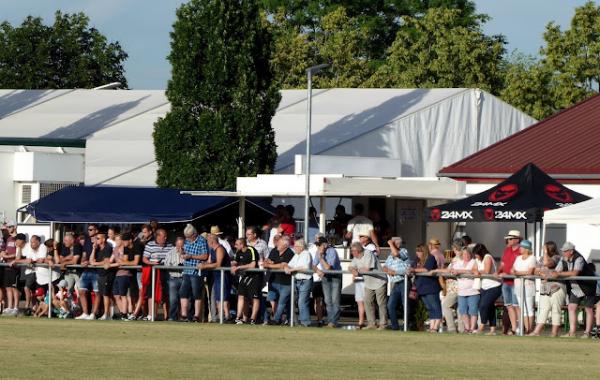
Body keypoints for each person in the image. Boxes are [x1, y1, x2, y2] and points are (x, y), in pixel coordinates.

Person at [552, 242, 597, 338]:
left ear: (571, 251)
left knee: (588, 309)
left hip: (588, 286)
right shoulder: (563, 258)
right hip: (575, 287)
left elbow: (575, 272)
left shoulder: (579, 258)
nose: (563, 253)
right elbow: (556, 271)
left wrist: (559, 274)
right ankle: (572, 332)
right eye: (563, 251)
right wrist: (551, 273)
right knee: (571, 307)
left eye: (565, 251)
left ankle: (587, 333)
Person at [529, 241, 565, 337]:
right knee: (543, 310)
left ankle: (554, 333)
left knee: (555, 310)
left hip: (556, 287)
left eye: (544, 248)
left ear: (549, 249)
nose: (542, 249)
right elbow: (536, 271)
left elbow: (547, 263)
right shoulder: (541, 259)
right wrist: (542, 274)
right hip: (545, 288)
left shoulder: (556, 258)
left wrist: (545, 253)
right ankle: (536, 332)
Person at [348, 242, 387, 330]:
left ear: (358, 250)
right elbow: (350, 267)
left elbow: (367, 268)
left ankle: (383, 324)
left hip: (379, 281)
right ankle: (371, 324)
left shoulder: (368, 253)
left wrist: (356, 270)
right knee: (367, 302)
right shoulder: (356, 257)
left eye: (353, 251)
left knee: (381, 303)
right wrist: (352, 269)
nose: (352, 253)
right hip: (368, 283)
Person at [142, 228, 172, 320]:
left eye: (166, 236)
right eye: (164, 236)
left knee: (166, 294)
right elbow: (145, 259)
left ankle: (167, 316)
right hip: (154, 272)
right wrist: (153, 263)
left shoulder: (170, 246)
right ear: (158, 236)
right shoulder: (150, 245)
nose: (166, 238)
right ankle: (151, 315)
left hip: (167, 273)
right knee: (152, 293)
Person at [200, 234, 232, 321]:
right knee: (217, 298)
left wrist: (205, 266)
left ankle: (227, 316)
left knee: (224, 297)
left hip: (224, 276)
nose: (207, 243)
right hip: (216, 276)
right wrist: (203, 264)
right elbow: (209, 261)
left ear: (212, 241)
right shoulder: (212, 250)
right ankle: (221, 316)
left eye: (207, 241)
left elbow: (218, 264)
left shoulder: (220, 249)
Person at [181, 224, 209, 322]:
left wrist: (191, 256)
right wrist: (182, 253)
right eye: (186, 237)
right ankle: (184, 315)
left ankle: (196, 316)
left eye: (189, 237)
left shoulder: (202, 241)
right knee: (183, 293)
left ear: (194, 234)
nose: (187, 239)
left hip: (197, 272)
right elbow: (184, 252)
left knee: (196, 294)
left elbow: (205, 256)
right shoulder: (187, 241)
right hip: (186, 270)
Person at [264, 235, 294, 325]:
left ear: (285, 245)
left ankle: (276, 320)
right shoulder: (274, 250)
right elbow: (268, 261)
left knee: (282, 302)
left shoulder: (290, 253)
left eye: (279, 243)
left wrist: (271, 265)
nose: (277, 244)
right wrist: (272, 264)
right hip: (273, 280)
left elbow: (283, 265)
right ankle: (278, 318)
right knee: (272, 300)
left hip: (285, 282)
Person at [411, 244, 442, 332]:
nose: (417, 253)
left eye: (419, 251)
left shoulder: (430, 258)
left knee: (435, 306)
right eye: (417, 251)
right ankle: (432, 326)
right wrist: (412, 269)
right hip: (421, 287)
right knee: (429, 307)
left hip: (431, 287)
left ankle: (436, 326)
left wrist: (414, 270)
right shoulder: (417, 259)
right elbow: (412, 267)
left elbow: (426, 269)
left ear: (424, 251)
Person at [384, 237, 413, 331]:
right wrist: (387, 270)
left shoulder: (404, 251)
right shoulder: (390, 255)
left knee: (405, 304)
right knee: (390, 305)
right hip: (395, 283)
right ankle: (394, 326)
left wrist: (390, 243)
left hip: (404, 281)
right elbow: (384, 266)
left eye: (392, 243)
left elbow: (397, 253)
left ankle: (406, 325)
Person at [472, 243, 501, 335]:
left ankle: (482, 325)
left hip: (494, 286)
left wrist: (478, 272)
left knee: (483, 305)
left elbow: (487, 270)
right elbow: (473, 269)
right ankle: (492, 330)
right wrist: (475, 271)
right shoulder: (477, 259)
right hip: (484, 287)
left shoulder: (487, 257)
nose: (475, 256)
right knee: (490, 307)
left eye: (476, 254)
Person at [313, 236, 342, 328]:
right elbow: (313, 265)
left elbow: (328, 267)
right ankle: (330, 321)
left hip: (335, 277)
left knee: (335, 300)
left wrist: (321, 258)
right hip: (325, 277)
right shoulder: (318, 252)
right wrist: (317, 271)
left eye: (319, 245)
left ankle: (334, 322)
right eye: (317, 245)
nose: (317, 247)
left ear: (325, 245)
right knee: (327, 300)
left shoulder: (332, 251)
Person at [496, 229, 522, 335]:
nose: (509, 241)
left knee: (516, 306)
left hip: (516, 282)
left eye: (510, 239)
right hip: (506, 282)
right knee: (509, 306)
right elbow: (502, 264)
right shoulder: (507, 250)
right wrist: (497, 272)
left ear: (517, 239)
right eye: (508, 239)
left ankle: (521, 327)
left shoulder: (521, 250)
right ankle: (514, 328)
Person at [15, 235, 48, 313]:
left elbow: (38, 260)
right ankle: (32, 308)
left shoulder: (43, 247)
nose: (31, 244)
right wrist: (19, 248)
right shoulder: (30, 248)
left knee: (31, 290)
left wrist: (27, 261)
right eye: (31, 242)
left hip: (42, 274)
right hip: (32, 272)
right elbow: (22, 259)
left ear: (38, 242)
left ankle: (29, 307)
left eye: (33, 242)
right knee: (31, 290)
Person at [451, 244, 480, 333]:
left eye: (467, 254)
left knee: (473, 310)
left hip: (473, 291)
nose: (466, 256)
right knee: (463, 310)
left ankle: (472, 328)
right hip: (461, 291)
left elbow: (473, 271)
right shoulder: (458, 262)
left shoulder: (474, 261)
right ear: (461, 255)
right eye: (464, 254)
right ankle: (467, 328)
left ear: (470, 254)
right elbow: (452, 270)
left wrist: (459, 271)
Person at [284, 238, 313, 327]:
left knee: (302, 302)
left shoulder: (307, 254)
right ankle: (294, 321)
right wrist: (286, 267)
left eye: (296, 246)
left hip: (305, 281)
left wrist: (293, 269)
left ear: (301, 247)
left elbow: (305, 267)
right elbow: (289, 264)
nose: (294, 247)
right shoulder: (296, 255)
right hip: (296, 281)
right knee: (291, 301)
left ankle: (305, 322)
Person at [232, 238, 261, 324]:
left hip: (254, 277)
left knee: (254, 298)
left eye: (237, 244)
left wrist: (239, 267)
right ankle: (239, 317)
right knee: (241, 296)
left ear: (242, 244)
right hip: (244, 277)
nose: (235, 246)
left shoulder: (251, 250)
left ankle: (253, 319)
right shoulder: (238, 252)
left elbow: (253, 265)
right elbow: (235, 262)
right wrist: (232, 265)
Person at [437, 239, 464, 333]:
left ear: (455, 247)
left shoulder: (459, 258)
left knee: (445, 306)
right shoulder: (458, 257)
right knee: (459, 309)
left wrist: (438, 270)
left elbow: (451, 271)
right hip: (455, 287)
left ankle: (452, 328)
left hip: (455, 288)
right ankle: (461, 329)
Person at [511, 239, 537, 334]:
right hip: (518, 285)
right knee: (523, 309)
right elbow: (512, 270)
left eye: (521, 247)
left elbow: (529, 272)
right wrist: (515, 272)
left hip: (528, 286)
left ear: (526, 249)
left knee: (529, 308)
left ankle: (530, 329)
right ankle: (526, 329)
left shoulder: (532, 258)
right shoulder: (518, 258)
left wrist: (518, 273)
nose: (520, 249)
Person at [90, 230, 116, 320]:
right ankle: (107, 314)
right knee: (102, 294)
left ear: (103, 239)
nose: (96, 240)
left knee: (106, 294)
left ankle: (106, 314)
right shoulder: (97, 249)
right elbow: (91, 260)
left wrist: (95, 263)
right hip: (100, 274)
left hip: (107, 274)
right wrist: (93, 249)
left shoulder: (108, 248)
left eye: (98, 238)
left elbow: (106, 262)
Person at [76, 224, 100, 320]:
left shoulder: (100, 240)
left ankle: (93, 314)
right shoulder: (86, 241)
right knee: (81, 290)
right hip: (87, 270)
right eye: (88, 229)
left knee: (97, 292)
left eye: (91, 229)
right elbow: (84, 254)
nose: (89, 231)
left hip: (97, 270)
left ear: (96, 230)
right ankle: (85, 313)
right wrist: (83, 261)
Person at [118, 233, 142, 321]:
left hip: (141, 272)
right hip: (132, 273)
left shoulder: (137, 246)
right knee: (133, 294)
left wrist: (124, 262)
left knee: (140, 294)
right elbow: (125, 260)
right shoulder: (126, 247)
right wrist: (125, 262)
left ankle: (136, 314)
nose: (123, 242)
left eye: (125, 240)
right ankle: (133, 313)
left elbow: (135, 263)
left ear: (130, 240)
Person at [164, 236, 185, 321]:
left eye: (182, 245)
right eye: (178, 245)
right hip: (173, 278)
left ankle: (184, 317)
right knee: (173, 300)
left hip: (184, 278)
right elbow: (166, 265)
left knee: (184, 299)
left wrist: (183, 255)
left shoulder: (187, 252)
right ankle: (172, 317)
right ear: (175, 244)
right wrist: (175, 267)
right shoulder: (170, 253)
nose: (180, 247)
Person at [1, 226, 22, 316]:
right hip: (7, 267)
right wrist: (4, 255)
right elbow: (3, 251)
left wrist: (8, 257)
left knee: (14, 288)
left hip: (14, 267)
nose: (8, 229)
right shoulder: (8, 238)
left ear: (14, 227)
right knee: (8, 288)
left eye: (10, 227)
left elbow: (18, 253)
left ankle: (16, 307)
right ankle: (9, 307)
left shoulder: (18, 238)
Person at [309, 233, 325, 326]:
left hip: (325, 277)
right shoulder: (311, 249)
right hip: (316, 277)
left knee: (325, 300)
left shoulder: (328, 249)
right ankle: (319, 319)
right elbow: (311, 263)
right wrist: (317, 271)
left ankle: (322, 318)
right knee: (317, 300)